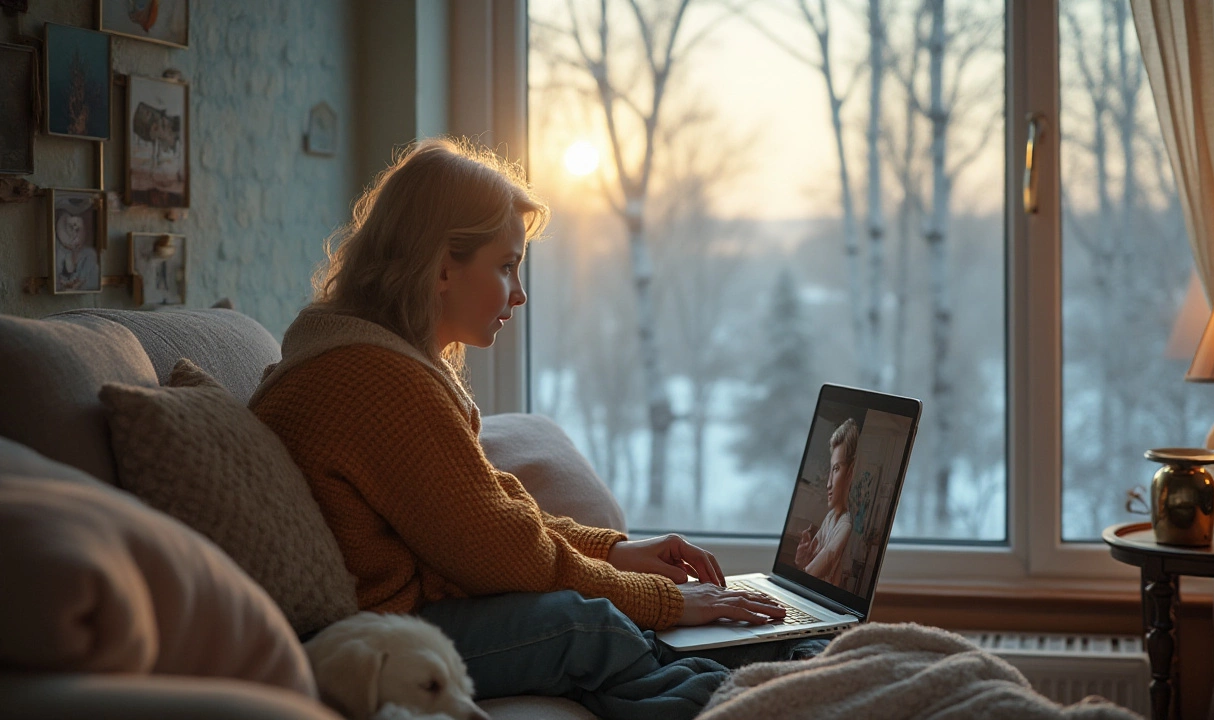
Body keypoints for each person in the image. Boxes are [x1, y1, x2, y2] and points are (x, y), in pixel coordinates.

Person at [250, 138, 821, 720]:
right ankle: (772, 696)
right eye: (505, 267)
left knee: (622, 627)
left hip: (410, 610)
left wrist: (620, 551)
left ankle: (775, 668)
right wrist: (664, 599)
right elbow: (503, 554)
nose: (519, 294)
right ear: (443, 265)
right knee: (588, 626)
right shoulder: (377, 380)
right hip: (386, 635)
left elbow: (490, 517)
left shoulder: (366, 356)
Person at [794, 418, 859, 585]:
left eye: (836, 469)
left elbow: (813, 570)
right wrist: (803, 557)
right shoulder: (830, 517)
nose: (828, 483)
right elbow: (807, 564)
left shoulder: (846, 525)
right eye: (830, 470)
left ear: (850, 473)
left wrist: (803, 567)